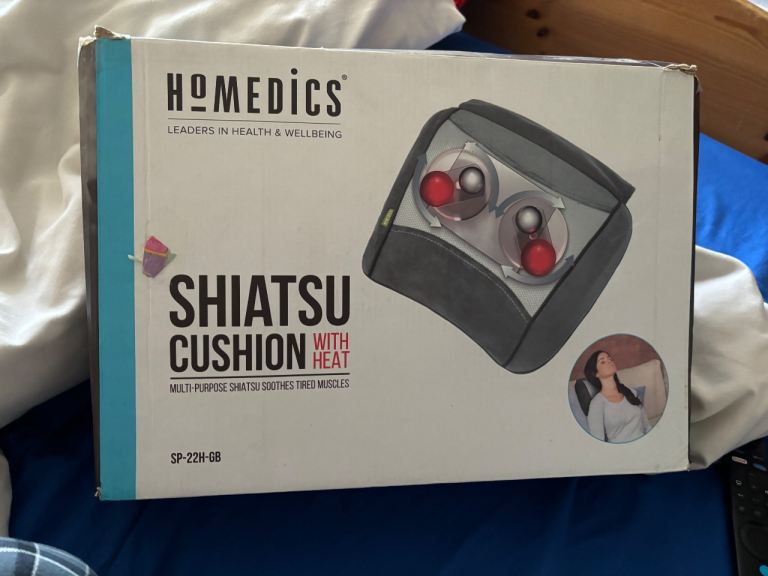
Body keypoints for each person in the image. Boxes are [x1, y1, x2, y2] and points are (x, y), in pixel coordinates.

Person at [584, 350, 650, 443]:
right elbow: (598, 442)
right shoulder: (596, 404)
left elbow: (647, 426)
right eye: (603, 362)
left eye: (610, 359)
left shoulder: (630, 392)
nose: (609, 361)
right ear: (596, 374)